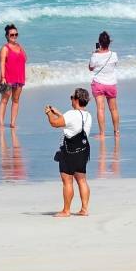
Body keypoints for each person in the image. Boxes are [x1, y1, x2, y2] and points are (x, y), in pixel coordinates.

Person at [45, 88, 93, 216]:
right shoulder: (88, 115)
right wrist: (59, 113)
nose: (71, 99)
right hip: (83, 150)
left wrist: (49, 113)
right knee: (82, 180)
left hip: (69, 151)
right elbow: (71, 124)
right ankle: (84, 209)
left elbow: (55, 124)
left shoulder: (71, 114)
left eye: (72, 97)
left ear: (76, 100)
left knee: (67, 181)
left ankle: (66, 210)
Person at [87, 30, 120, 135]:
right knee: (113, 109)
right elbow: (114, 65)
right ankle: (117, 131)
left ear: (99, 43)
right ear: (109, 42)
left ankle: (102, 133)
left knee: (101, 109)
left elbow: (90, 68)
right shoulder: (114, 55)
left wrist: (95, 54)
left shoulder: (95, 55)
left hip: (99, 84)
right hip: (111, 84)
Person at [0, 24, 27, 129]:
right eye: (12, 35)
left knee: (16, 100)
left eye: (16, 34)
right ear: (7, 36)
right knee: (4, 100)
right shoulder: (5, 49)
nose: (14, 36)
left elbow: (25, 58)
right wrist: (3, 77)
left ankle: (12, 123)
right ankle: (1, 123)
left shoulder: (20, 47)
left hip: (19, 78)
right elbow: (1, 64)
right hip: (8, 79)